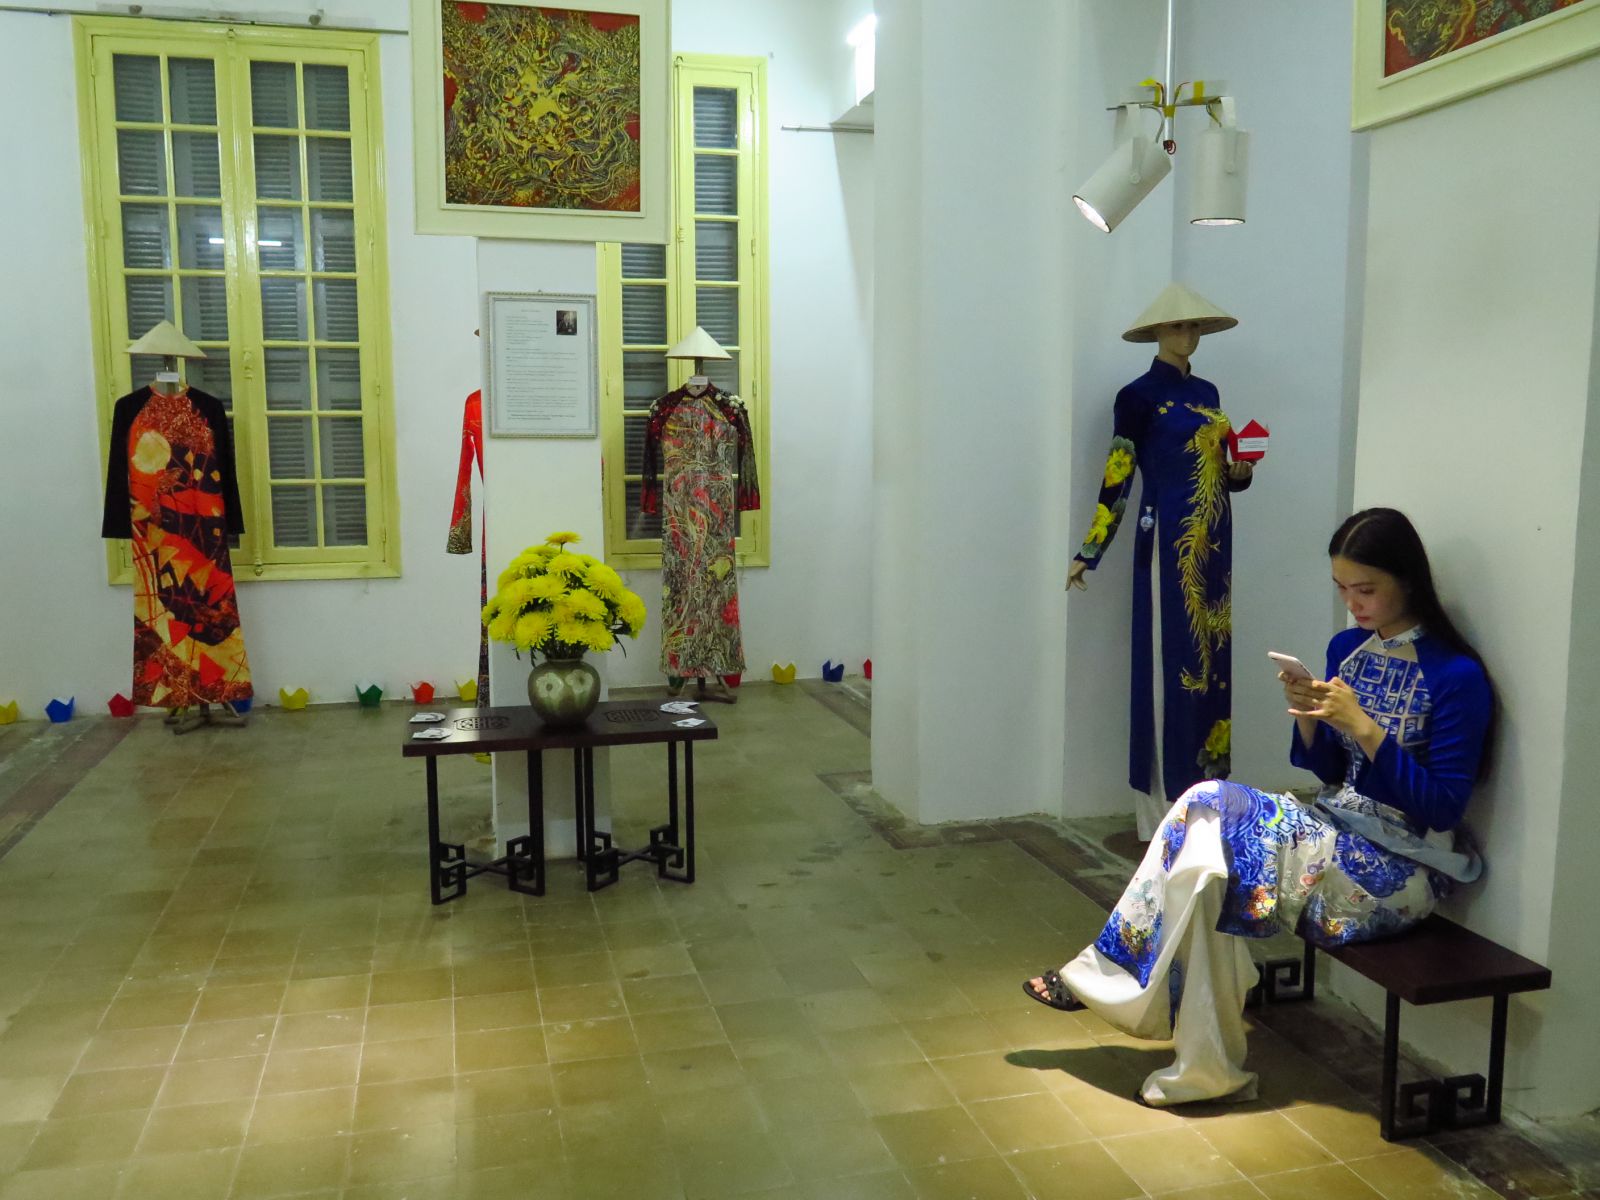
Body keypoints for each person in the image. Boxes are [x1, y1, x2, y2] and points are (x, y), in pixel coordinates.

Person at [1027, 508, 1495, 1106]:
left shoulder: (1456, 676)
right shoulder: (1348, 648)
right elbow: (1328, 769)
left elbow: (1444, 807)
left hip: (1398, 871)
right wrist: (1309, 715)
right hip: (1333, 830)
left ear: (1408, 580)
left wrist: (1365, 727)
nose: (1353, 604)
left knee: (1207, 807)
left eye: (1366, 589)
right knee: (1204, 870)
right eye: (1342, 589)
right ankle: (1202, 1068)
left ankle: (1115, 976)